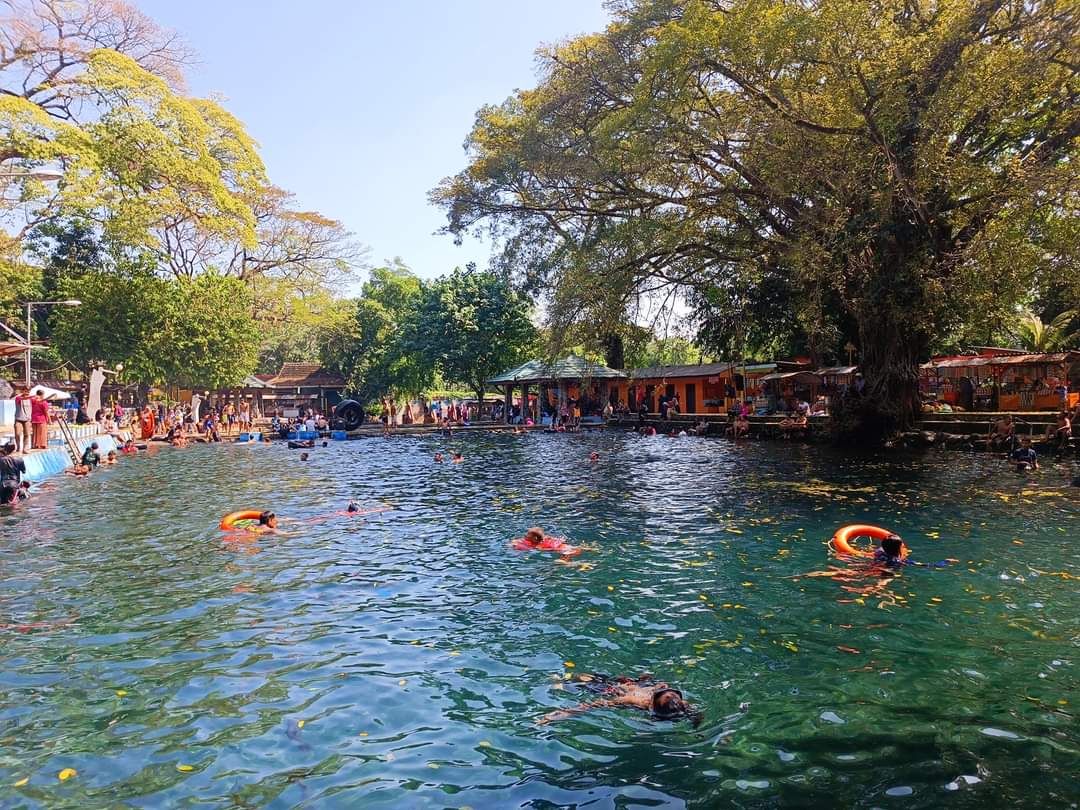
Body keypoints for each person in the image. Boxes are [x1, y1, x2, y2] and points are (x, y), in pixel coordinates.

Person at [537, 673, 702, 727]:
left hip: (616, 690)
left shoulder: (634, 701)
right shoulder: (682, 705)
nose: (664, 686)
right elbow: (696, 716)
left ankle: (559, 682)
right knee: (645, 676)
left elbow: (595, 704)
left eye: (662, 691)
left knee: (581, 678)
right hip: (636, 685)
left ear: (652, 701)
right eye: (670, 689)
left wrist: (561, 714)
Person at [0, 442, 27, 506]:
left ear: (5, 449)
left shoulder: (1, 460)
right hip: (14, 484)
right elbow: (24, 471)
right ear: (14, 449)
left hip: (2, 484)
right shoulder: (19, 459)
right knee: (14, 505)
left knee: (2, 505)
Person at [13, 385, 32, 454]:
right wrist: (33, 396)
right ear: (22, 391)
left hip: (27, 419)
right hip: (18, 419)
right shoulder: (18, 398)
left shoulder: (31, 399)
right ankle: (18, 447)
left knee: (27, 434)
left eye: (28, 391)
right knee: (17, 433)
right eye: (25, 390)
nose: (27, 392)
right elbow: (23, 399)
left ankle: (25, 448)